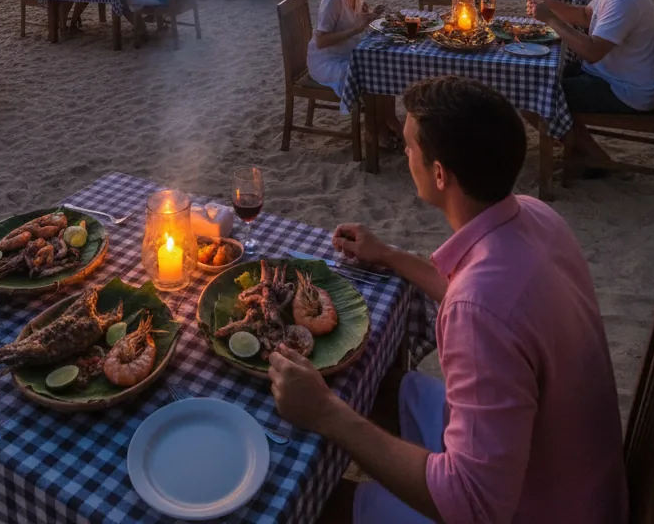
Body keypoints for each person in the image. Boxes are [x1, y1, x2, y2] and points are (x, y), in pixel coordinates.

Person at [267, 77, 627, 524]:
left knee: (318, 505)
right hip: (571, 468)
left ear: (440, 174)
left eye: (410, 147)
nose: (405, 154)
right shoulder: (535, 216)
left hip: (536, 506)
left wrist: (326, 414)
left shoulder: (478, 311)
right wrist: (390, 256)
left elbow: (472, 505)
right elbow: (477, 298)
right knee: (377, 385)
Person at [532, 0, 654, 168]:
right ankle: (581, 149)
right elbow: (585, 16)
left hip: (625, 90)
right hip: (612, 76)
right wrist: (551, 5)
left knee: (537, 93)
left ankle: (594, 157)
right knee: (536, 77)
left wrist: (550, 19)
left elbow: (592, 51)